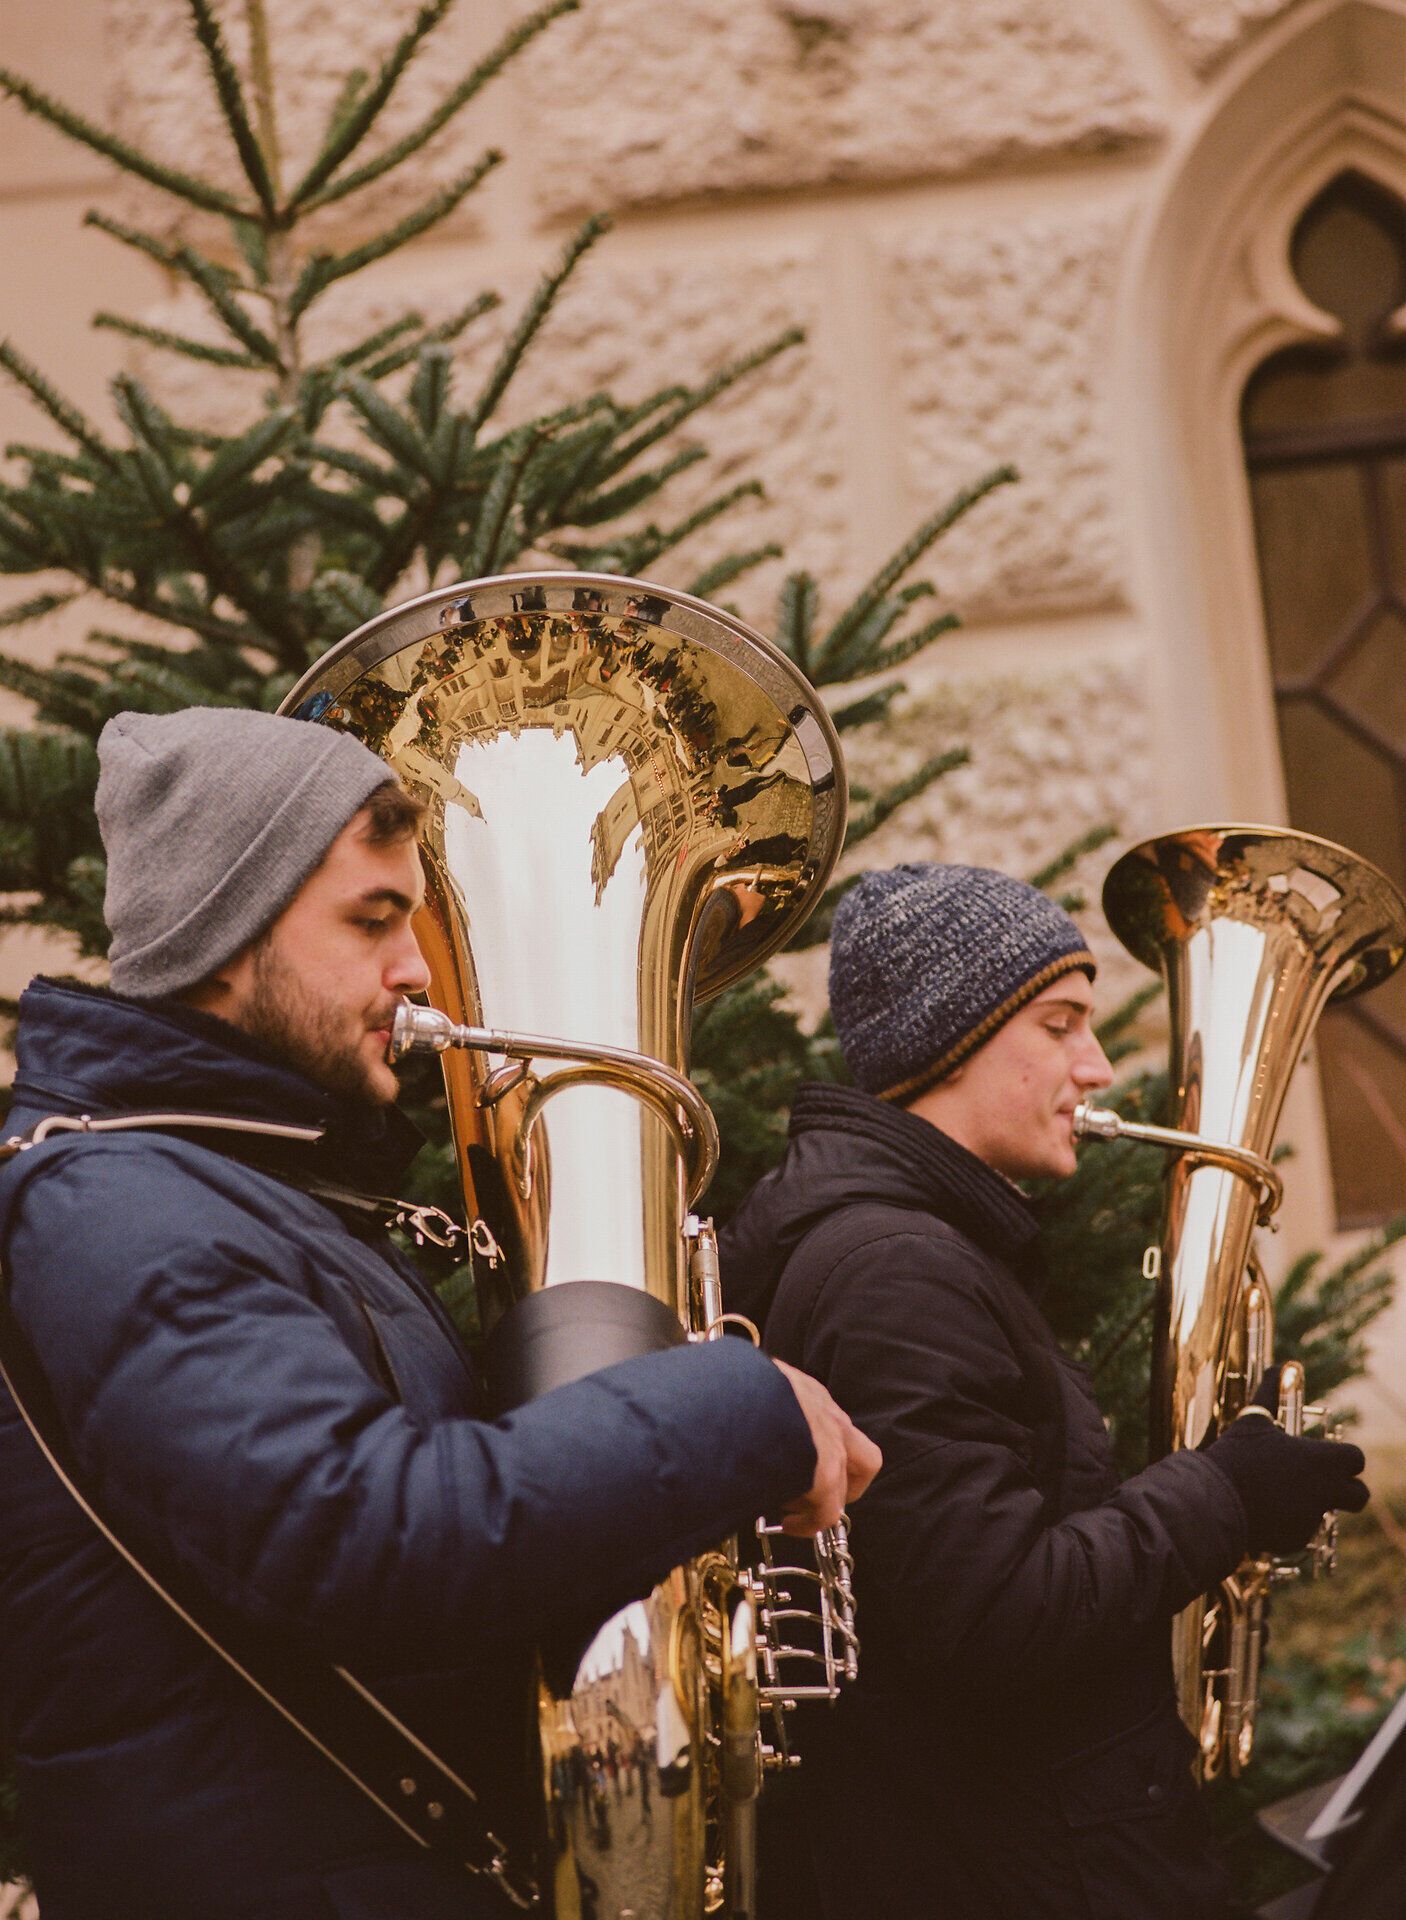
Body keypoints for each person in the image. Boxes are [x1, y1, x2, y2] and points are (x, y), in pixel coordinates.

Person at [0, 707, 879, 1920]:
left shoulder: (240, 1191)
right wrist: (739, 1404)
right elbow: (369, 1538)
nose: (416, 969)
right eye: (371, 920)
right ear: (223, 932)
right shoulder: (114, 1204)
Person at [721, 861, 1370, 1920]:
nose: (1099, 1066)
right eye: (1060, 1025)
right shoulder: (897, 1275)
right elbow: (992, 1618)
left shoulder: (913, 1249)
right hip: (1019, 1873)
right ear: (950, 1041)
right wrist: (1224, 1493)